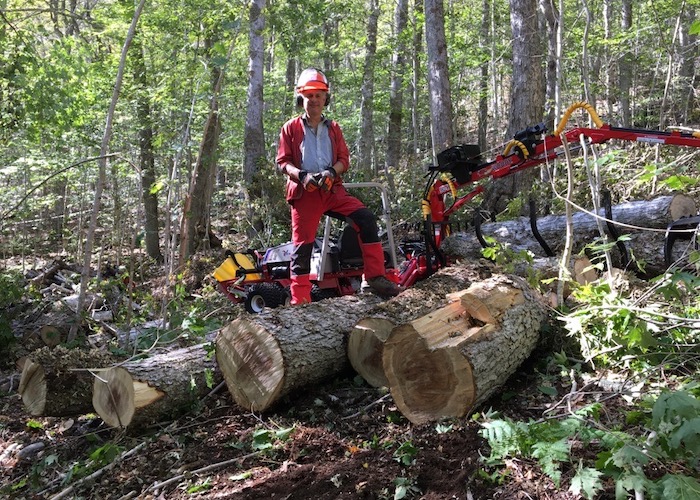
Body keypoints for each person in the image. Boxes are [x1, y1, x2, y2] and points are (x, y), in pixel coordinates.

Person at [276, 68, 401, 305]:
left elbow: (344, 159)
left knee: (365, 218)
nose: (314, 100)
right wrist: (302, 176)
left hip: (332, 189)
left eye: (318, 96)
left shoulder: (333, 128)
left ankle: (374, 278)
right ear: (301, 97)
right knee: (302, 247)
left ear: (326, 99)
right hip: (305, 193)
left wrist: (331, 172)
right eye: (309, 95)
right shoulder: (290, 128)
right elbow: (283, 162)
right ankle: (299, 299)